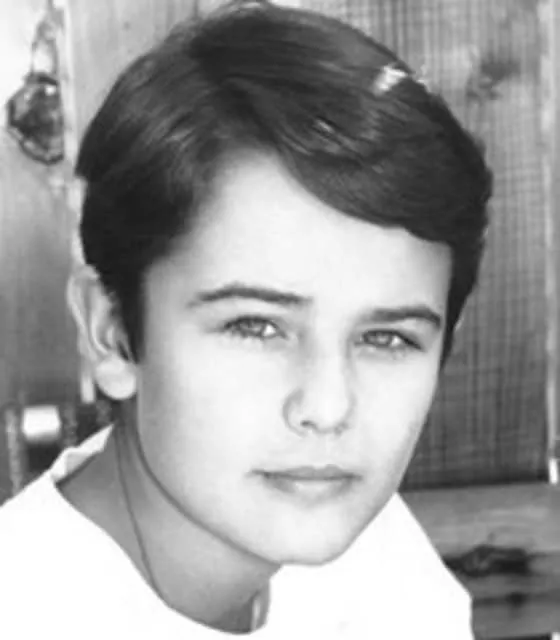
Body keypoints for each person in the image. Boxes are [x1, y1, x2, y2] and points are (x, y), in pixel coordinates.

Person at [0, 1, 492, 637]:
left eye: (386, 338)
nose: (327, 407)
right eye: (256, 327)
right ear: (113, 334)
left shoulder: (373, 552)